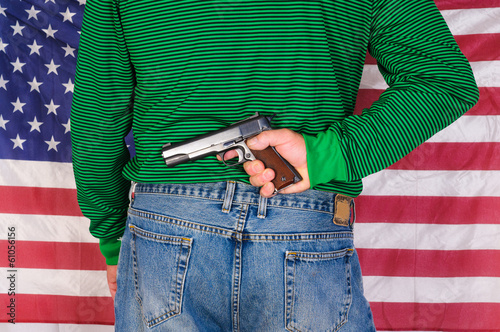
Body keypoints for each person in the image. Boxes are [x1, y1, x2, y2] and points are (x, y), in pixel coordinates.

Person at [71, 0, 478, 331]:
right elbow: (444, 82)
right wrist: (324, 155)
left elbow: (96, 127)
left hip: (170, 223)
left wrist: (112, 240)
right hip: (305, 224)